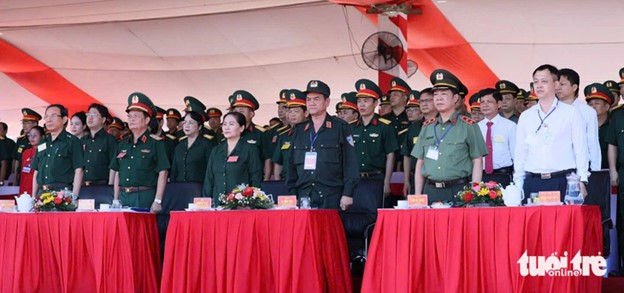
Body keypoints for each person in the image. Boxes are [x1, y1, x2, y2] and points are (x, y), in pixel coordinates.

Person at [513, 64, 589, 201]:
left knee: (563, 222)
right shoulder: (526, 116)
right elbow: (520, 152)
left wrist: (582, 180)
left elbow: (580, 148)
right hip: (533, 181)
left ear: (556, 84)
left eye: (544, 81)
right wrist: (519, 184)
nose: (539, 85)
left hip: (562, 180)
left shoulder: (571, 113)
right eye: (536, 82)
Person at [412, 69, 487, 204]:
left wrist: (474, 194)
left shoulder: (468, 126)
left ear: (455, 98)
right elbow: (420, 162)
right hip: (431, 190)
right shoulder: (427, 127)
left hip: (459, 190)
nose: (439, 98)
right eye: (436, 94)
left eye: (444, 94)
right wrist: (418, 196)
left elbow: (477, 160)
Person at [286, 79, 358, 210]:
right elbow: (290, 166)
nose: (311, 103)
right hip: (304, 195)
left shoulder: (340, 127)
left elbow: (350, 163)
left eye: (316, 99)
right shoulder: (299, 130)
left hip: (331, 195)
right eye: (308, 99)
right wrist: (292, 193)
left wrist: (348, 193)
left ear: (327, 102)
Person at [110, 93, 169, 211]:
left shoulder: (155, 143)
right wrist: (116, 199)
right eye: (130, 116)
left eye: (136, 116)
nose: (131, 119)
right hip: (123, 196)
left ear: (147, 120)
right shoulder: (122, 144)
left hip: (144, 195)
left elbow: (163, 172)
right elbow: (117, 172)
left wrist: (157, 200)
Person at [351, 79, 399, 197]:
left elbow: (390, 156)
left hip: (376, 179)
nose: (362, 105)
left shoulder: (385, 126)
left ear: (375, 103)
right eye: (359, 101)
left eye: (366, 101)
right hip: (354, 180)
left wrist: (387, 181)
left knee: (374, 214)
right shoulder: (350, 127)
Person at [203, 111, 262, 201]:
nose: (226, 127)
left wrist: (252, 200)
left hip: (240, 203)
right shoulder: (216, 150)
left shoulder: (249, 149)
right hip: (217, 202)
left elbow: (256, 177)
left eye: (231, 124)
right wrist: (206, 200)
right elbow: (209, 178)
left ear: (242, 128)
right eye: (224, 124)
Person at [32, 104, 85, 195]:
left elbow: (79, 171)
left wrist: (74, 197)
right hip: (41, 193)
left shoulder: (72, 141)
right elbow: (37, 170)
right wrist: (33, 197)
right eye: (46, 116)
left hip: (62, 194)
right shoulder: (43, 141)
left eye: (53, 116)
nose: (48, 119)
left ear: (64, 119)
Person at [556, 68, 601, 171]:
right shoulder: (550, 110)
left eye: (562, 84)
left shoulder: (587, 111)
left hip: (581, 167)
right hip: (556, 168)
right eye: (556, 84)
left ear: (574, 87)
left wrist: (595, 170)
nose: (557, 88)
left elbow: (593, 142)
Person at [229, 90, 272, 180]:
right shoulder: (228, 133)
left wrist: (267, 180)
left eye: (242, 111)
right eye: (235, 111)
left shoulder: (261, 133)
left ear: (251, 114)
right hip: (232, 179)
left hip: (254, 180)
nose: (238, 115)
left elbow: (267, 159)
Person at [171, 99, 217, 182]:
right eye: (185, 122)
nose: (187, 125)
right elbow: (174, 172)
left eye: (191, 122)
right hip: (179, 189)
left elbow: (211, 172)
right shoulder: (180, 146)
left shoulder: (207, 144)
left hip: (199, 190)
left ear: (199, 127)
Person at [477, 88, 516, 185]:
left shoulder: (510, 126)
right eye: (482, 102)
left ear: (498, 104)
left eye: (489, 101)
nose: (485, 105)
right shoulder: (475, 127)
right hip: (481, 176)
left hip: (503, 175)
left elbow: (516, 155)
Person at [272, 89, 308, 180]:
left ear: (306, 113)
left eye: (296, 111)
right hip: (286, 181)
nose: (292, 114)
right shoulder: (283, 136)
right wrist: (277, 183)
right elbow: (278, 162)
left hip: (306, 182)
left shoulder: (313, 134)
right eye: (289, 111)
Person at [82, 103, 118, 186]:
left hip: (102, 187)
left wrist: (110, 186)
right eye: (88, 114)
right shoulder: (83, 140)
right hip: (83, 187)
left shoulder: (110, 140)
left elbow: (114, 167)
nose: (90, 117)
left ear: (103, 119)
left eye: (94, 114)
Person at [585, 84, 612, 170]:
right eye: (590, 104)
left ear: (607, 107)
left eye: (597, 103)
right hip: (588, 172)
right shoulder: (583, 127)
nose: (593, 106)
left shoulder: (613, 126)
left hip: (610, 172)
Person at [401, 90, 423, 195]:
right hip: (414, 177)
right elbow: (407, 155)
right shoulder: (412, 129)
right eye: (408, 110)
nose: (409, 112)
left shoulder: (433, 125)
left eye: (414, 109)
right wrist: (406, 181)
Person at [12, 108, 41, 183]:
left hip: (36, 176)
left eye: (27, 123)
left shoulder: (42, 139)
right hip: (21, 176)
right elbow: (17, 159)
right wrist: (15, 177)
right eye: (23, 123)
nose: (24, 125)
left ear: (35, 123)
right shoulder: (20, 140)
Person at [19, 126, 45, 195]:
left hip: (38, 190)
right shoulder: (26, 152)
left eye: (35, 135)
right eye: (30, 135)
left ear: (42, 137)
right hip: (24, 189)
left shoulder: (45, 151)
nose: (32, 138)